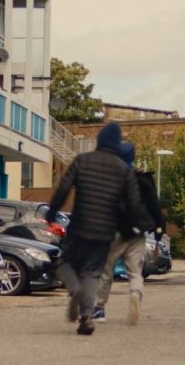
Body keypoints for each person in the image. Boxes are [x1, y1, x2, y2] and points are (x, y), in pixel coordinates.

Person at [45, 122, 145, 336]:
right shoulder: (122, 169)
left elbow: (63, 187)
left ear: (99, 140)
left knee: (64, 262)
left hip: (79, 226)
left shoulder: (83, 160)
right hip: (105, 232)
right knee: (92, 272)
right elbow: (133, 204)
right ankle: (86, 317)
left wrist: (52, 212)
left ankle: (75, 290)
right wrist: (127, 227)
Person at [93, 142, 161, 324]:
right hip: (137, 232)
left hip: (113, 232)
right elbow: (154, 205)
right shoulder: (143, 178)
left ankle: (99, 309)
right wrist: (159, 228)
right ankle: (135, 293)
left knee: (106, 271)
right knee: (135, 271)